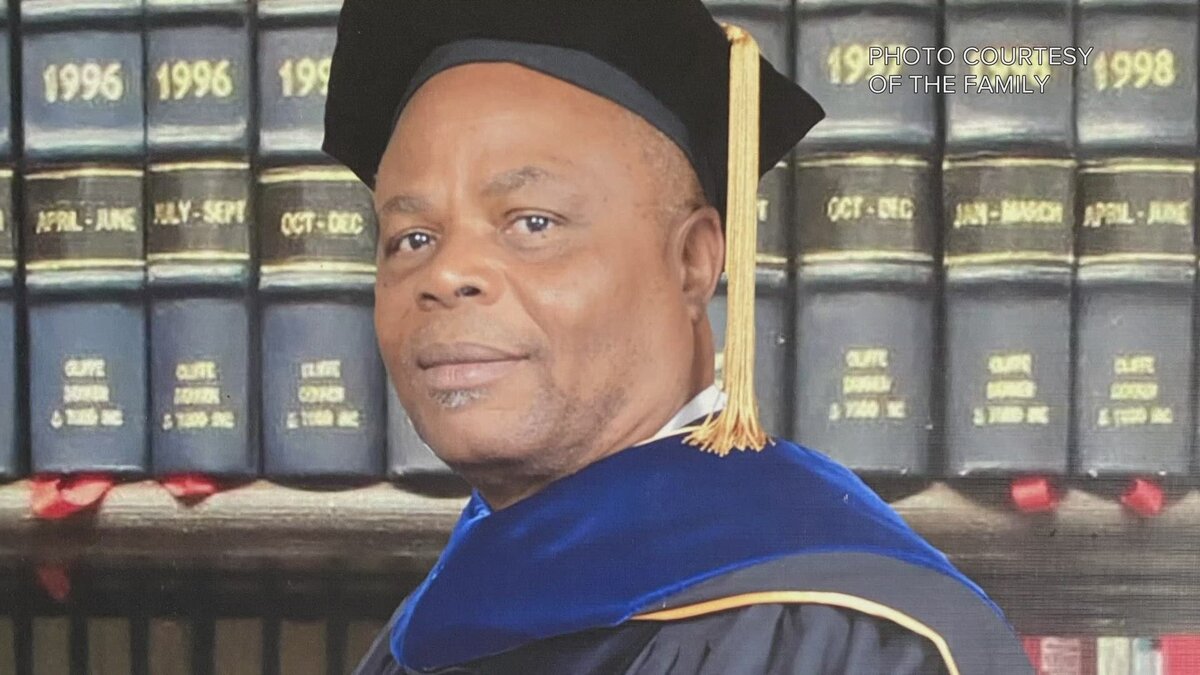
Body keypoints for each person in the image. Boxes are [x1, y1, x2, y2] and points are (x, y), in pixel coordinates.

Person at [322, 1, 1033, 673]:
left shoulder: (856, 637)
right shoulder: (420, 641)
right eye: (410, 237)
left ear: (693, 260)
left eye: (532, 223)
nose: (445, 274)